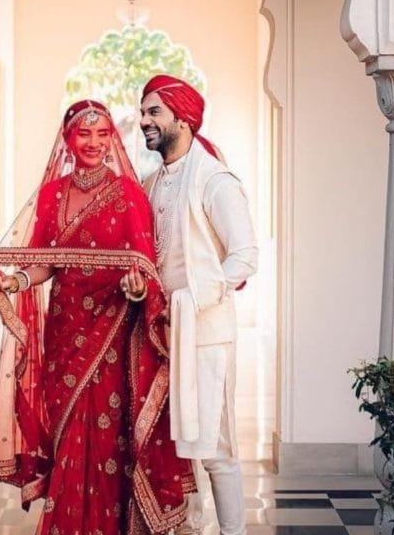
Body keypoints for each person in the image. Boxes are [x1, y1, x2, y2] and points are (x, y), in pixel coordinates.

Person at [0, 99, 194, 535]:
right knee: (67, 432)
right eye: (84, 133)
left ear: (112, 138)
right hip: (64, 331)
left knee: (106, 437)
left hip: (112, 334)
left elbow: (144, 270)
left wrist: (136, 288)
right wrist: (16, 281)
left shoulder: (129, 195)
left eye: (102, 134)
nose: (93, 143)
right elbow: (45, 261)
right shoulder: (51, 195)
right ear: (68, 139)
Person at [139, 76, 258, 535]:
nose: (144, 121)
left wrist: (190, 299)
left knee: (215, 447)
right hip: (157, 335)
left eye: (154, 112)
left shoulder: (214, 180)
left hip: (204, 333)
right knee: (172, 445)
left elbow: (245, 256)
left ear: (182, 120)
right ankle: (185, 528)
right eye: (143, 111)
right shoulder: (151, 181)